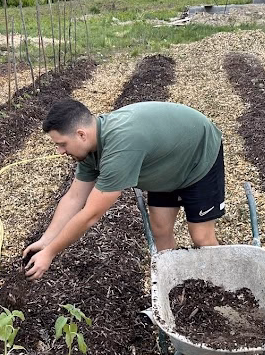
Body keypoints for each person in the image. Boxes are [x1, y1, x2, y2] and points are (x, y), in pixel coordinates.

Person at [23, 99, 225, 280]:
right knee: (161, 229)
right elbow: (74, 198)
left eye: (62, 144)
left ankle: (220, 284)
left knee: (201, 236)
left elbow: (91, 214)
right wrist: (46, 241)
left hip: (198, 153)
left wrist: (50, 253)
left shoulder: (120, 148)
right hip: (165, 161)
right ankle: (174, 284)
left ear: (81, 134)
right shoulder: (89, 150)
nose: (60, 151)